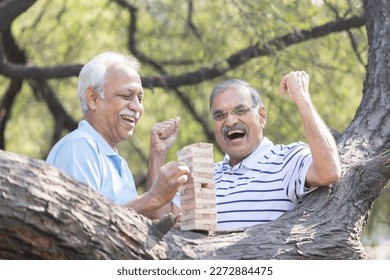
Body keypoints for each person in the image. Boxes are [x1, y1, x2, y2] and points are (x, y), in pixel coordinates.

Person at [46, 51, 190, 219]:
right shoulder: (77, 149)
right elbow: (81, 225)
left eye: (140, 99)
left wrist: (157, 154)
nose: (137, 107)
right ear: (93, 98)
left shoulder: (117, 163)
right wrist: (153, 197)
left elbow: (146, 225)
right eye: (126, 95)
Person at [209, 71, 341, 230]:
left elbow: (329, 171)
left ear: (262, 116)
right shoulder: (205, 176)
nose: (230, 121)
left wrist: (302, 98)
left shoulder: (286, 159)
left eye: (241, 111)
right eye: (220, 115)